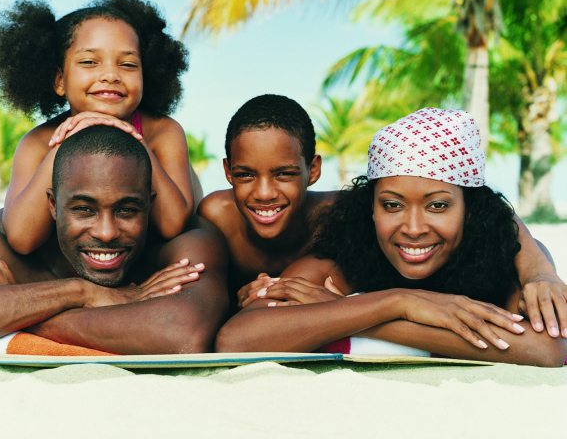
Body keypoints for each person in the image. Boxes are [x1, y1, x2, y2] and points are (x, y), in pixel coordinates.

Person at [215, 108, 567, 366]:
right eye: (392, 205)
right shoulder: (340, 260)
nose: (413, 228)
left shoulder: (504, 262)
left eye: (438, 206)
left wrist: (352, 313)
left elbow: (548, 350)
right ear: (370, 209)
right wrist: (400, 301)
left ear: (470, 211)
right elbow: (237, 339)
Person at [0, 126, 228, 353]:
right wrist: (79, 293)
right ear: (53, 206)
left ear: (150, 203)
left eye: (127, 210)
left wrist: (12, 308)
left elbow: (182, 333)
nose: (106, 232)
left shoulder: (185, 243)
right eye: (84, 209)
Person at [0, 0, 199, 255]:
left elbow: (172, 226)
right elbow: (21, 239)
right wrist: (61, 148)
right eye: (90, 62)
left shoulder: (162, 132)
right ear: (59, 80)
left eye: (128, 65)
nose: (111, 75)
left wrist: (135, 140)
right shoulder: (40, 143)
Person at [197, 95, 334, 311]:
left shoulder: (335, 217)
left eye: (284, 174)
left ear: (313, 170)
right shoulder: (217, 217)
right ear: (228, 172)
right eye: (245, 175)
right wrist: (237, 301)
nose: (264, 193)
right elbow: (204, 301)